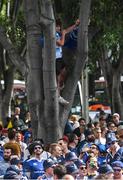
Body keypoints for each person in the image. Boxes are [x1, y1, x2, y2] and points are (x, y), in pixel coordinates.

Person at [55, 18, 80, 105]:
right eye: (56, 27)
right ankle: (58, 96)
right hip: (55, 59)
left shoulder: (58, 33)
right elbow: (61, 43)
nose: (58, 28)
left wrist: (75, 25)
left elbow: (66, 30)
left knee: (64, 71)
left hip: (59, 58)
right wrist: (64, 35)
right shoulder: (53, 34)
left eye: (59, 27)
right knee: (57, 78)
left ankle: (61, 85)